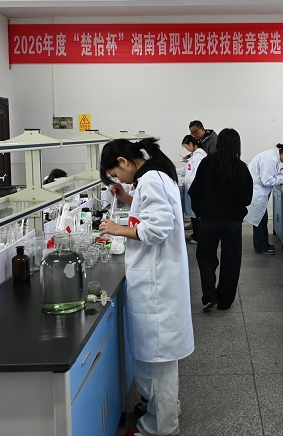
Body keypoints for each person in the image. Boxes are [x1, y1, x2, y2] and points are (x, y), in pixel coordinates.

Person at [97, 137, 194, 436]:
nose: (118, 179)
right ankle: (161, 407)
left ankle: (161, 427)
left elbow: (156, 229)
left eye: (115, 174)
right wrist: (128, 198)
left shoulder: (151, 180)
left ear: (123, 161)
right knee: (154, 357)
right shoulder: (154, 176)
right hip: (158, 277)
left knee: (160, 360)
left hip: (158, 283)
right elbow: (150, 214)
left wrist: (117, 229)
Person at [188, 128, 253, 311]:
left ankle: (209, 295)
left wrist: (199, 212)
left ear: (218, 143)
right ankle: (225, 300)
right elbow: (247, 198)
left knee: (206, 257)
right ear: (237, 145)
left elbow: (195, 191)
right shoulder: (241, 167)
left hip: (209, 220)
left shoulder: (207, 163)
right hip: (233, 222)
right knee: (231, 259)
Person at [244, 143, 283, 254]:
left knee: (262, 219)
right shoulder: (271, 159)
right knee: (260, 220)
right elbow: (267, 180)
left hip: (259, 191)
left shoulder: (273, 156)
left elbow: (273, 173)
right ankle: (261, 247)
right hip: (257, 192)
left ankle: (264, 244)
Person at [178, 135, 206, 244]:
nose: (187, 149)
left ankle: (198, 237)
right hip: (191, 188)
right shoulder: (194, 156)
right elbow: (187, 170)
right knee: (192, 214)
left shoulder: (199, 156)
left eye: (186, 147)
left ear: (191, 144)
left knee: (195, 214)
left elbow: (197, 173)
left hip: (195, 189)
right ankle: (195, 234)